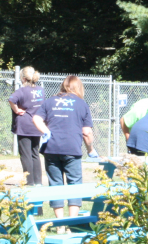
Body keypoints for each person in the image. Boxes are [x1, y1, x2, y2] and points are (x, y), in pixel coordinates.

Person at [32, 75, 98, 221]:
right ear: (79, 88)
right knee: (74, 184)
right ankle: (71, 222)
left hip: (51, 148)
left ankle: (59, 224)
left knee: (55, 184)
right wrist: (91, 150)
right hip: (71, 149)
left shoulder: (49, 101)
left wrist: (45, 131)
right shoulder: (81, 104)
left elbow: (36, 118)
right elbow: (86, 132)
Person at [7, 66, 44, 186]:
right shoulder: (40, 90)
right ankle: (38, 181)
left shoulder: (21, 91)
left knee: (26, 154)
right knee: (35, 153)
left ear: (23, 79)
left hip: (24, 125)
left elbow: (11, 100)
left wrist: (17, 110)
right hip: (37, 125)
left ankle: (29, 182)